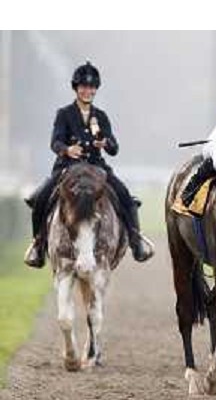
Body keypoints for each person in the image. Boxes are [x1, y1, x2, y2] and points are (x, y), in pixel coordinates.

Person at [24, 61, 154, 268]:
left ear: (95, 89)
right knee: (40, 198)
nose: (88, 91)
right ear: (76, 88)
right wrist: (67, 150)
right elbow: (55, 141)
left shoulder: (101, 116)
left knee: (126, 197)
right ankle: (38, 245)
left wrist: (106, 143)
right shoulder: (64, 114)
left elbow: (114, 147)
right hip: (67, 168)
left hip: (96, 168)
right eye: (84, 87)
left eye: (92, 87)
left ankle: (136, 240)